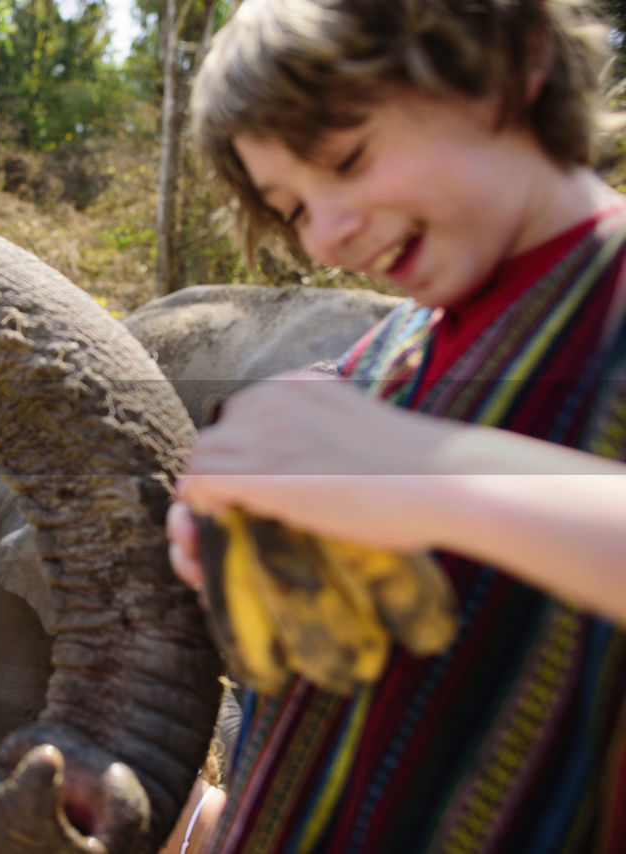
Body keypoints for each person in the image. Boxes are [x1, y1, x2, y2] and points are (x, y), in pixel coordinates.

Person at [162, 0, 626, 852]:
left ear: (511, 61)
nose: (329, 235)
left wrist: (434, 474)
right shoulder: (379, 365)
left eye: (349, 158)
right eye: (292, 208)